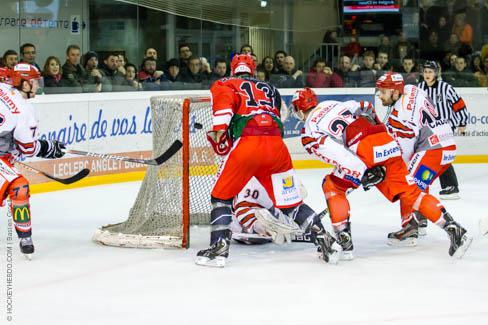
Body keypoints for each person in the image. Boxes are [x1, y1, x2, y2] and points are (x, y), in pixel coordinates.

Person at [291, 87, 472, 259]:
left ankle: (344, 243)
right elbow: (366, 106)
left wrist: (362, 171)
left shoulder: (308, 131)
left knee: (332, 185)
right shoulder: (333, 103)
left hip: (364, 150)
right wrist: (378, 130)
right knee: (412, 194)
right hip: (387, 141)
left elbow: (338, 155)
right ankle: (454, 230)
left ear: (299, 109)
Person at [195, 54, 340, 267]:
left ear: (233, 69)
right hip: (276, 148)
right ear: (253, 70)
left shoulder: (225, 83)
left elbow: (223, 114)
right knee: (291, 203)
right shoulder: (271, 89)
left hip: (248, 145)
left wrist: (218, 134)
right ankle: (325, 240)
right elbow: (275, 118)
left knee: (221, 196)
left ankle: (218, 249)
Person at [0, 64, 66, 258]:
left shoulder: (3, 88)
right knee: (19, 187)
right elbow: (27, 148)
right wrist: (48, 148)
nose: (38, 85)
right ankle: (25, 237)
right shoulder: (23, 110)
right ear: (25, 83)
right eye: (35, 81)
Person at [418, 61, 469, 200]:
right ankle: (445, 186)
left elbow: (459, 105)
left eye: (430, 71)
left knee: (440, 155)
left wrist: (462, 122)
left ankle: (450, 186)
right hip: (428, 129)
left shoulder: (445, 88)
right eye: (425, 71)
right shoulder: (420, 88)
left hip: (445, 127)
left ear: (436, 73)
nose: (427, 74)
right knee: (433, 156)